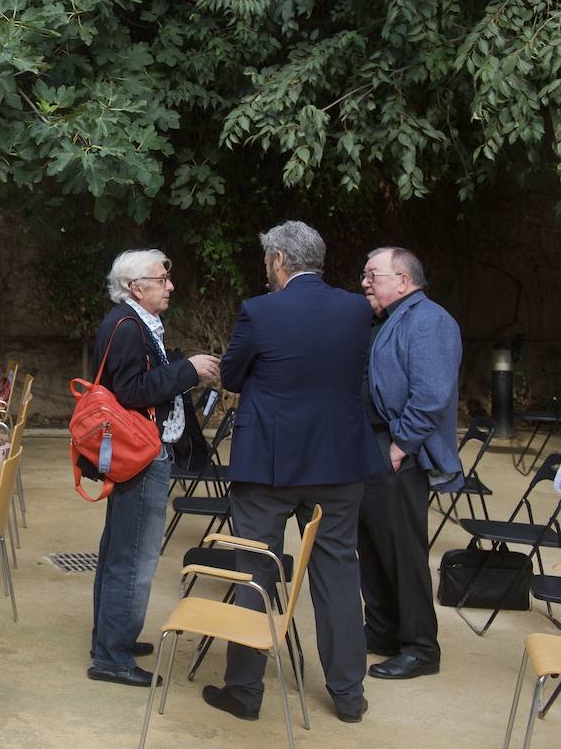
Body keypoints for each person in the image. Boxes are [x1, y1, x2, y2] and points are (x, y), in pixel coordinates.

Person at [206, 221, 382, 725]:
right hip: (339, 462)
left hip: (270, 464)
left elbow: (234, 375)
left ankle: (244, 691)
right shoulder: (356, 309)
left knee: (256, 571)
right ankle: (348, 695)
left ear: (279, 259)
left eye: (267, 261)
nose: (266, 269)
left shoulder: (260, 311)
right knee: (338, 576)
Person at [86, 250, 220, 686]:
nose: (170, 285)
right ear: (135, 287)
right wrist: (188, 371)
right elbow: (129, 392)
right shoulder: (127, 327)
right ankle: (112, 657)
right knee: (134, 557)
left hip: (138, 452)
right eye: (163, 278)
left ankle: (110, 639)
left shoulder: (130, 322)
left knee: (119, 549)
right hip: (142, 453)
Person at [359, 246, 463, 680]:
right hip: (373, 448)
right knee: (373, 546)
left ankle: (420, 649)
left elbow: (432, 394)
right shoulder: (388, 319)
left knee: (403, 551)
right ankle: (383, 631)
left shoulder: (428, 320)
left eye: (372, 274)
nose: (365, 282)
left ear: (403, 280)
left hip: (398, 452)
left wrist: (400, 447)